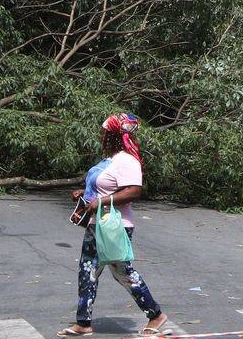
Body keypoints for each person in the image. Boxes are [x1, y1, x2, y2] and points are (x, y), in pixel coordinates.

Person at [60, 113, 172, 337]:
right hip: (97, 224)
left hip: (115, 226)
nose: (102, 136)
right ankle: (83, 322)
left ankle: (156, 315)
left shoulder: (127, 161)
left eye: (106, 133)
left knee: (123, 272)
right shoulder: (109, 160)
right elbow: (106, 187)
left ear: (115, 136)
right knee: (87, 270)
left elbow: (133, 191)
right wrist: (84, 193)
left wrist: (101, 201)